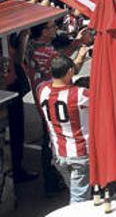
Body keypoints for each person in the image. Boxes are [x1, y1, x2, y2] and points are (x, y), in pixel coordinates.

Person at [36, 55, 90, 203]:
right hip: (80, 153)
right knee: (79, 199)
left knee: (74, 189)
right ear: (70, 71)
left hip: (58, 153)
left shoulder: (41, 89)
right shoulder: (80, 94)